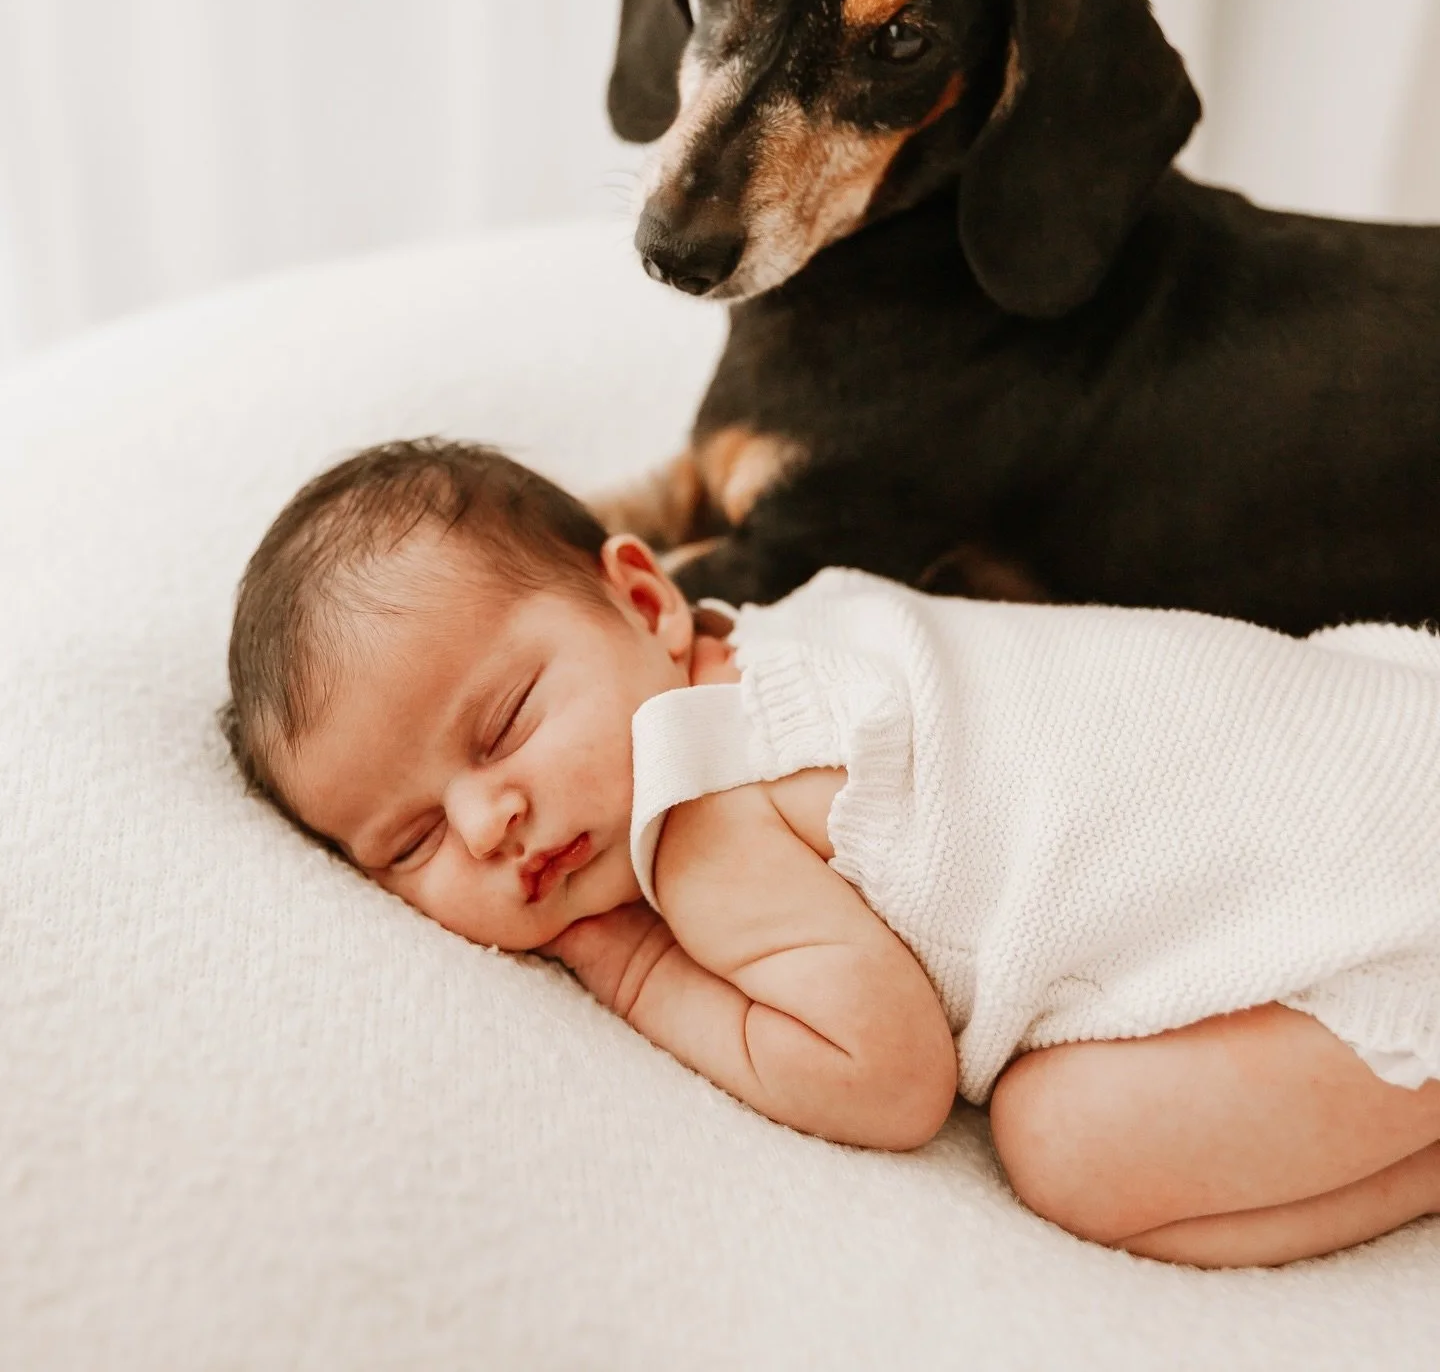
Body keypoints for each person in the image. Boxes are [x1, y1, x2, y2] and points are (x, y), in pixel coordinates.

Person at [221, 438, 1440, 1269]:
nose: (491, 822)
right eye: (413, 841)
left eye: (504, 726)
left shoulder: (702, 812)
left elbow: (886, 1078)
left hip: (1362, 914)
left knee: (1067, 1146)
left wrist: (638, 972)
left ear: (646, 602)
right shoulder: (808, 620)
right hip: (1364, 730)